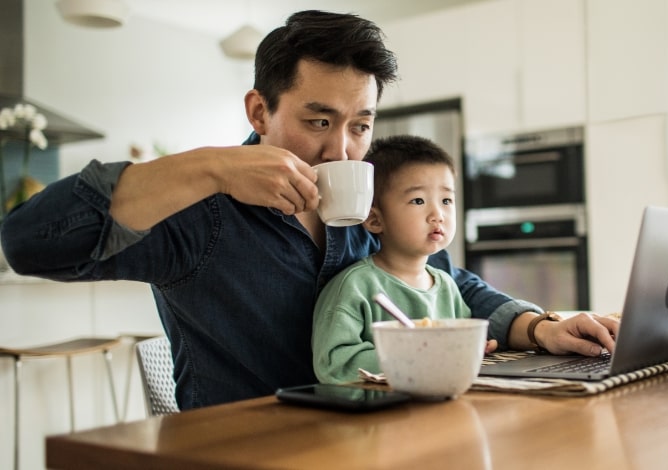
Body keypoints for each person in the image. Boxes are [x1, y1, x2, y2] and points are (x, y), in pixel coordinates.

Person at [0, 10, 618, 410]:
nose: (340, 149)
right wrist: (211, 166)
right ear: (259, 112)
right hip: (247, 452)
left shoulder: (370, 204)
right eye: (318, 120)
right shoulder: (200, 211)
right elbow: (28, 242)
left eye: (360, 125)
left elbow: (446, 282)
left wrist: (539, 327)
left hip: (375, 438)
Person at [313, 135, 475, 384]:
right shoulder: (355, 286)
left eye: (446, 200)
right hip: (375, 416)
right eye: (418, 200)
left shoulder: (447, 287)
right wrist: (414, 357)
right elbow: (335, 365)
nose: (438, 215)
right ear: (376, 220)